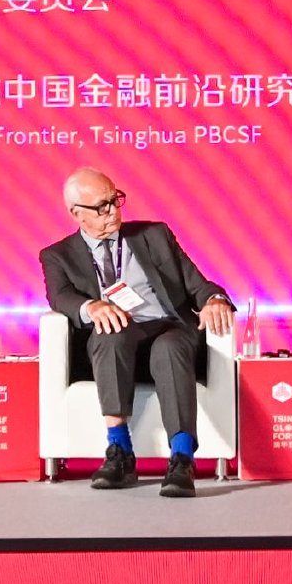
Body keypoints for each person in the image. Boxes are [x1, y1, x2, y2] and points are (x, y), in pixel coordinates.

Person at [39, 167, 235, 498]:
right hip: (118, 337)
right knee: (108, 333)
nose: (112, 212)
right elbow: (60, 296)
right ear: (76, 214)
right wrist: (91, 307)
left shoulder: (154, 236)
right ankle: (120, 452)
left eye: (115, 200)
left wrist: (215, 300)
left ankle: (182, 458)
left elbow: (196, 284)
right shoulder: (58, 255)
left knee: (169, 348)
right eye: (101, 207)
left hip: (168, 327)